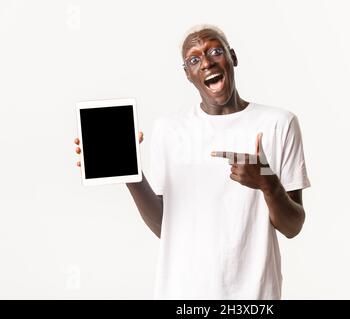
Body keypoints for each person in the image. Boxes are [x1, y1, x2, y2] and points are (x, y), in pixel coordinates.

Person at [74, 24, 311, 299]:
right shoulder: (169, 130)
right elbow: (166, 226)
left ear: (232, 57)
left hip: (254, 297)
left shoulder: (279, 124)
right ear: (188, 74)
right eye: (195, 59)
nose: (207, 62)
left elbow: (293, 227)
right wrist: (131, 174)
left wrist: (268, 183)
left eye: (215, 51)